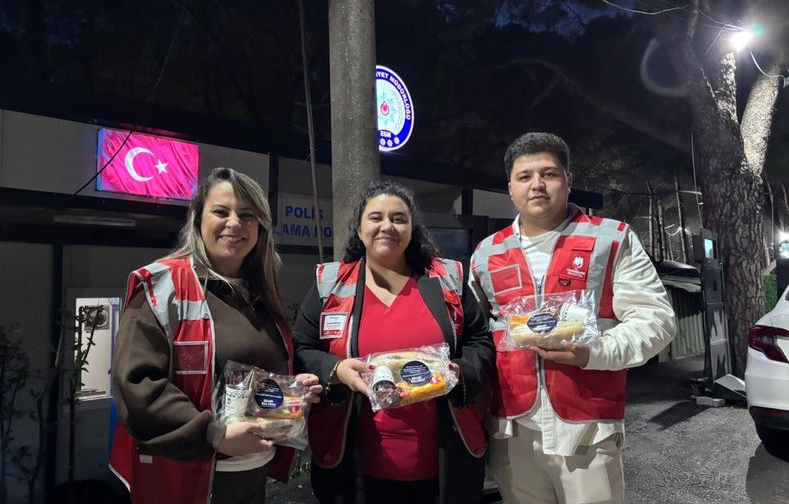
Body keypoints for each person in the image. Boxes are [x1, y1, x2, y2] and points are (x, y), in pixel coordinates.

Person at [470, 132, 676, 504]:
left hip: (588, 427)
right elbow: (474, 334)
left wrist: (592, 351)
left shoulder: (612, 239)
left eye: (548, 173)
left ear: (569, 181)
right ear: (510, 189)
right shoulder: (486, 253)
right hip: (510, 429)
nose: (537, 185)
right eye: (524, 176)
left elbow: (657, 320)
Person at [109, 167, 323, 504]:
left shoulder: (259, 292)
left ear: (261, 226)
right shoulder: (161, 286)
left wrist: (293, 390)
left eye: (247, 215)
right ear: (197, 218)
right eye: (221, 212)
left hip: (253, 476)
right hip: (187, 481)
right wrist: (216, 436)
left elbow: (253, 376)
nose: (235, 224)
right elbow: (136, 387)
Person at [293, 180, 494, 504]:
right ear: (359, 229)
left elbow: (480, 340)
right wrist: (336, 369)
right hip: (354, 466)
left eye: (399, 218)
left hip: (445, 466)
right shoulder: (329, 284)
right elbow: (302, 347)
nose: (387, 226)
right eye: (376, 217)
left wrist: (458, 371)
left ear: (412, 229)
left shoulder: (449, 279)